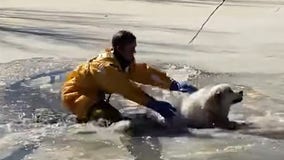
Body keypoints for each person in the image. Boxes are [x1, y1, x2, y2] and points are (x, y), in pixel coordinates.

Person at [61, 30, 197, 123]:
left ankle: (87, 119)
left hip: (93, 95)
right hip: (77, 96)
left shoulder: (122, 61)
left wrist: (172, 84)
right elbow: (126, 89)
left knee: (113, 116)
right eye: (131, 49)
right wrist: (153, 104)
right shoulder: (105, 68)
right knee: (113, 120)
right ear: (119, 48)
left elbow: (144, 73)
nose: (134, 52)